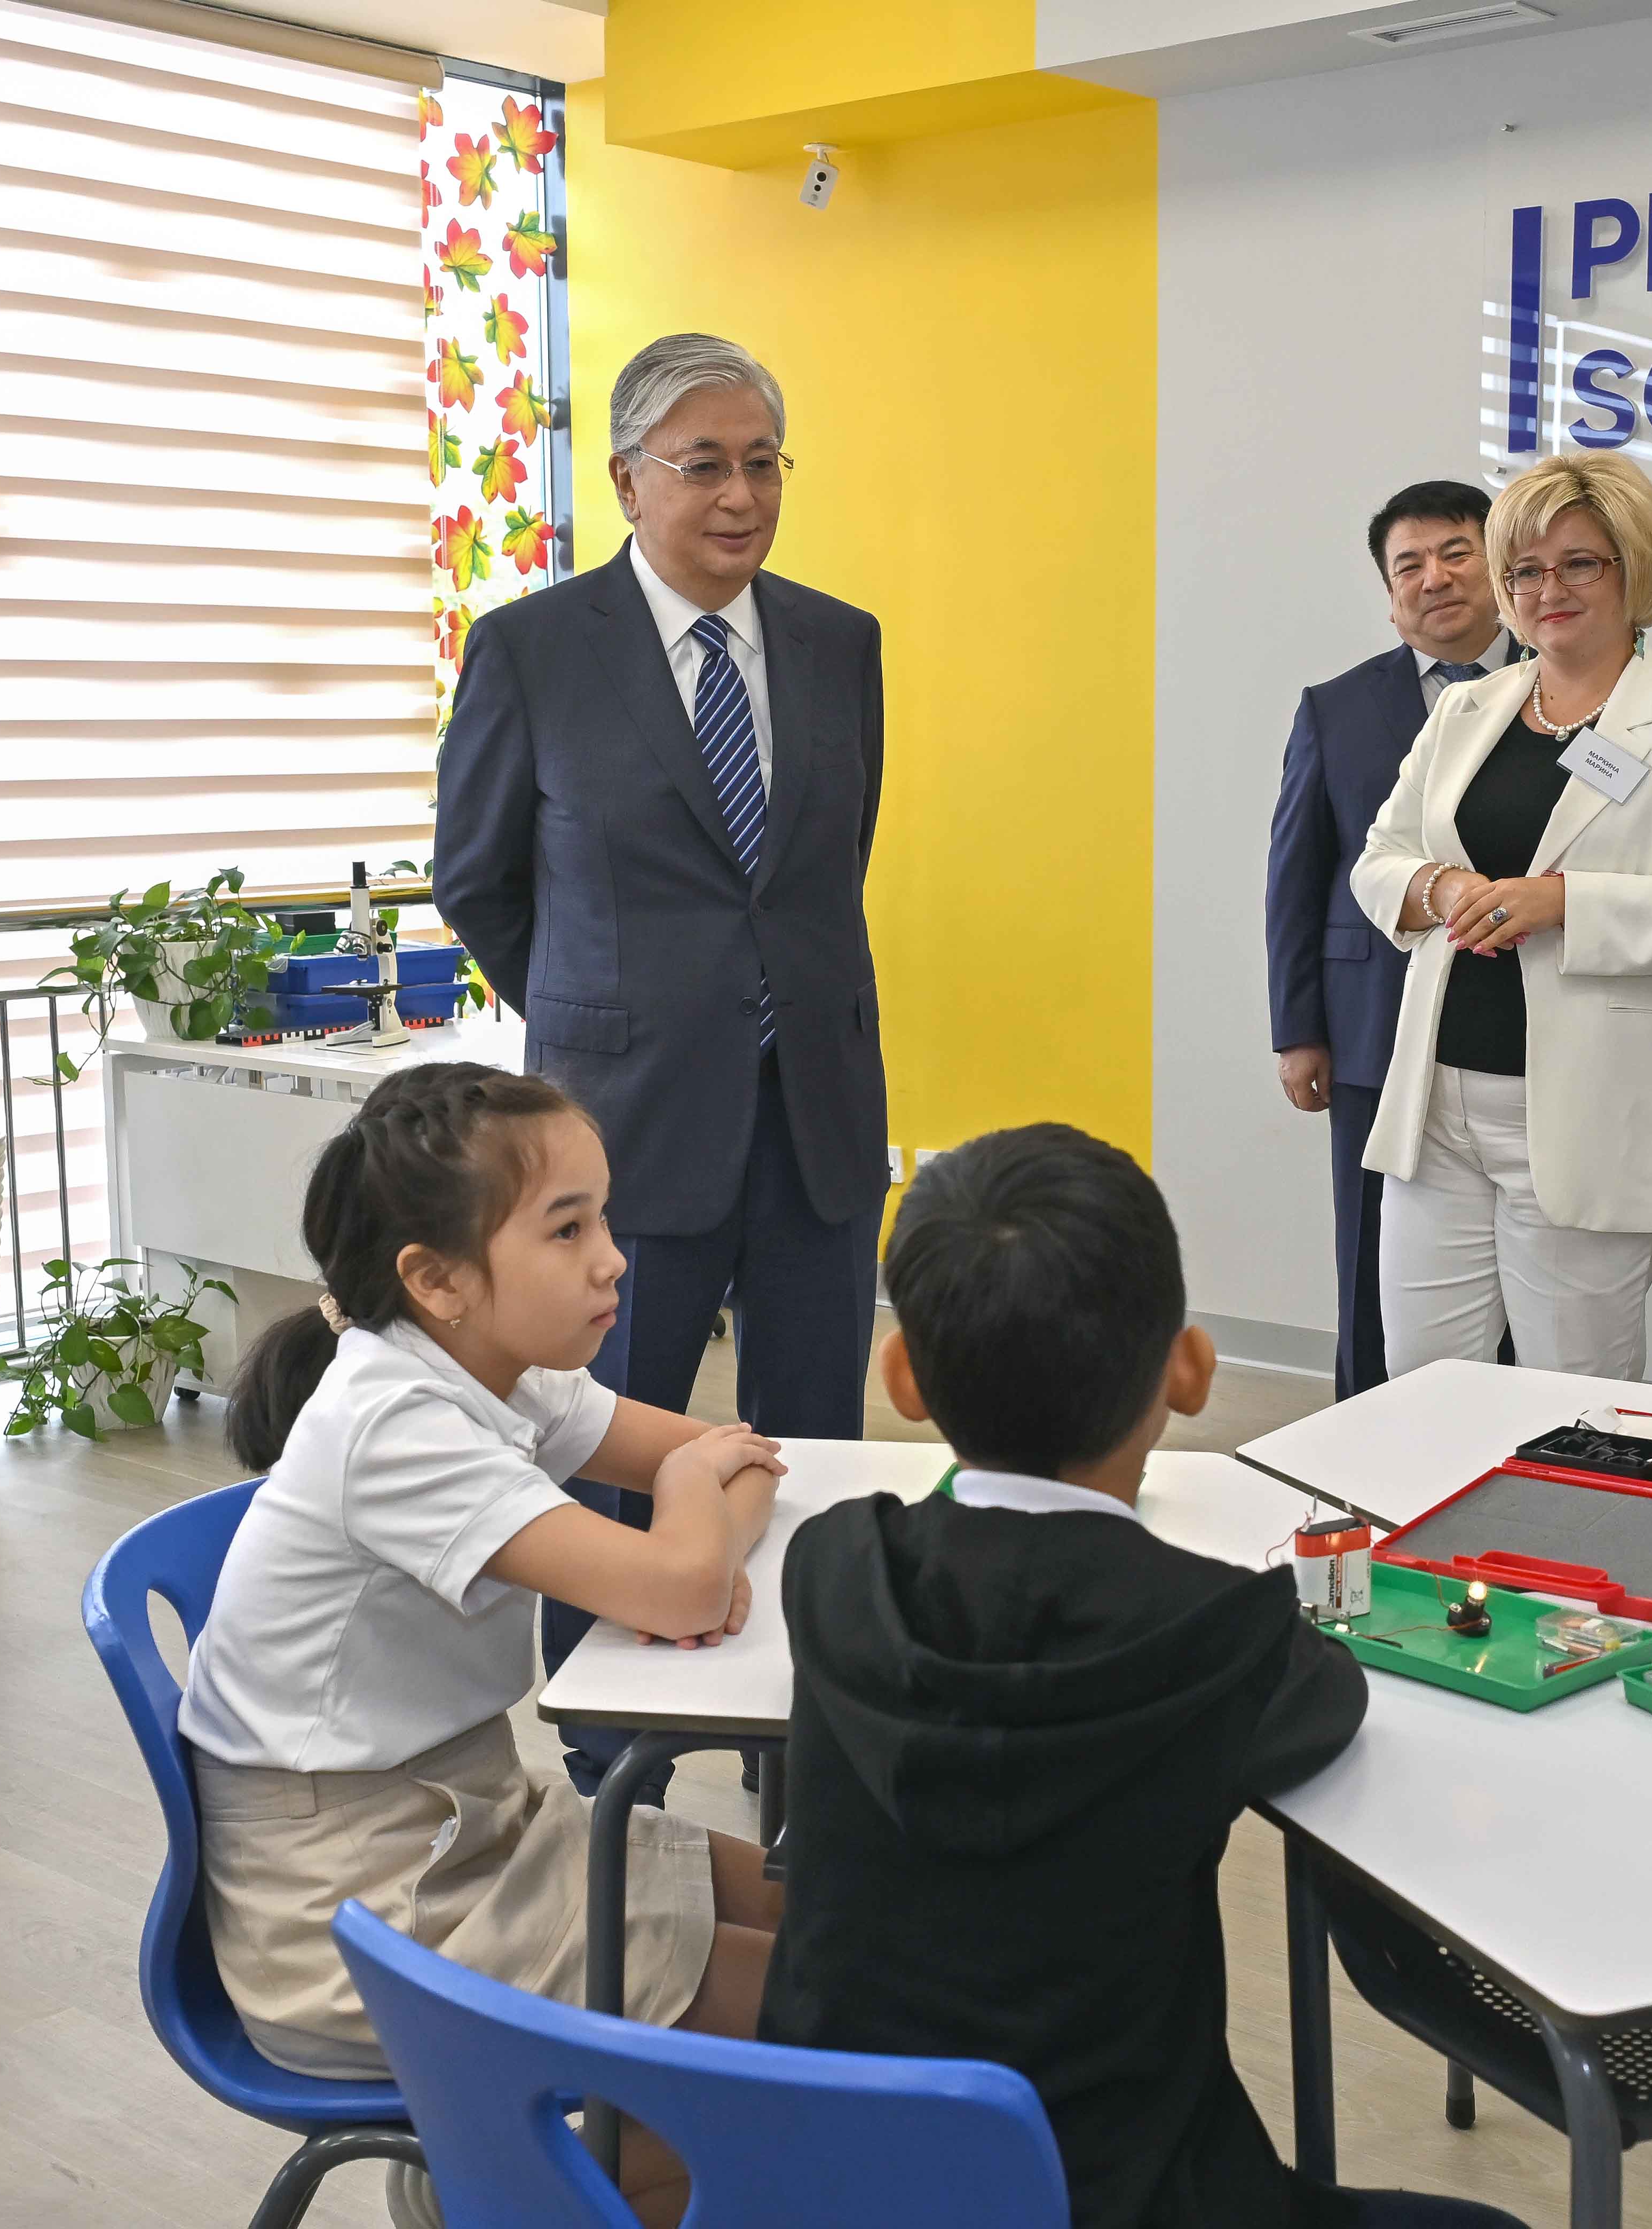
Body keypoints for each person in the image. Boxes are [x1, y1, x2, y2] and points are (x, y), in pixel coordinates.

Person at [759, 1123, 1524, 2229]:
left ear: (903, 1378)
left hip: (841, 2192)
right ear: (1190, 1369)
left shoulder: (832, 1567)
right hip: (1139, 2196)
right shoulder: (1223, 1632)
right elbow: (1332, 1702)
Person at [176, 1065, 788, 2229]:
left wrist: (696, 1510)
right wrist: (693, 1514)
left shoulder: (501, 1373)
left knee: (836, 1922)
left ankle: (491, 2177)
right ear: (437, 1279)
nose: (612, 1259)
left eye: (602, 1217)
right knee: (827, 2010)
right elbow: (690, 1562)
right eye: (568, 1228)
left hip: (472, 1827)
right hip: (354, 1909)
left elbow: (738, 1459)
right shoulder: (398, 1424)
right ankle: (499, 2190)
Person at [431, 330, 887, 1798]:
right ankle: (610, 1765)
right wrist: (602, 1016)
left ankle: (797, 1756)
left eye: (762, 463)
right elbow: (477, 878)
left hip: (816, 1120)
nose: (739, 494)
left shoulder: (840, 642)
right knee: (608, 1445)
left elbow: (824, 873)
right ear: (629, 479)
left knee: (811, 1455)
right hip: (618, 1134)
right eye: (704, 465)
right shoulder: (533, 649)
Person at [1348, 453, 1652, 1378]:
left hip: (1583, 1113)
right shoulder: (1467, 708)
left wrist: (1564, 902)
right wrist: (1441, 890)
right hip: (1437, 1105)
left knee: (1570, 1403)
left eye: (1579, 563)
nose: (1548, 590)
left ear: (1635, 568)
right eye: (1526, 569)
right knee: (1421, 1386)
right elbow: (1378, 859)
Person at [1267, 480, 1517, 1397]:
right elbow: (1297, 875)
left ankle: (1509, 1447)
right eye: (1408, 565)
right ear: (1388, 595)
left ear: (1499, 565)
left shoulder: (1566, 686)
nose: (1433, 578)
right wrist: (1298, 1030)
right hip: (1371, 1029)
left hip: (1525, 1027)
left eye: (1455, 552)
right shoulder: (1335, 708)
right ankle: (1362, 1448)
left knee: (1524, 1276)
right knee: (1375, 1267)